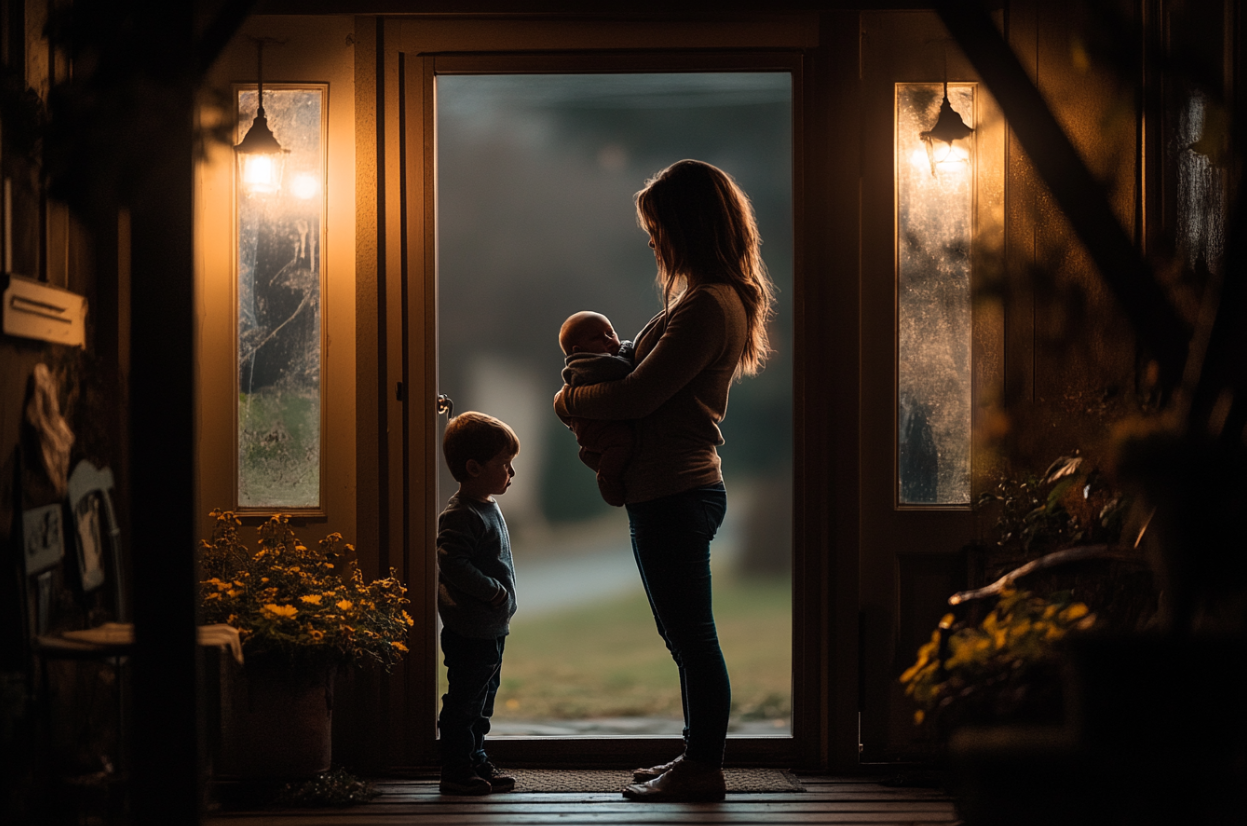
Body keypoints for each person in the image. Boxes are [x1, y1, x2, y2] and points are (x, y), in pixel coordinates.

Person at [553, 159, 776, 802]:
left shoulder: (706, 306)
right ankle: (694, 759)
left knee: (692, 640)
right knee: (686, 637)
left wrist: (567, 405)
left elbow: (635, 395)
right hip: (673, 488)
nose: (651, 240)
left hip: (676, 490)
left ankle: (703, 768)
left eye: (657, 227)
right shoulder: (704, 300)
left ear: (687, 225)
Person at [435, 411, 521, 795]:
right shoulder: (460, 514)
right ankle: (456, 769)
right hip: (470, 629)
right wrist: (492, 591)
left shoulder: (487, 505)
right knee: (464, 703)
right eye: (504, 464)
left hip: (491, 628)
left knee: (482, 703)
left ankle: (476, 758)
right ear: (473, 467)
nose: (511, 472)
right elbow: (452, 563)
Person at [557, 310, 637, 506]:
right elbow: (622, 370)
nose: (608, 339)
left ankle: (590, 453)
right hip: (596, 428)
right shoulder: (591, 365)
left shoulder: (599, 359)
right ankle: (607, 478)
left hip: (595, 425)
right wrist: (630, 349)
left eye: (611, 332)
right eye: (596, 338)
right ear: (578, 350)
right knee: (622, 442)